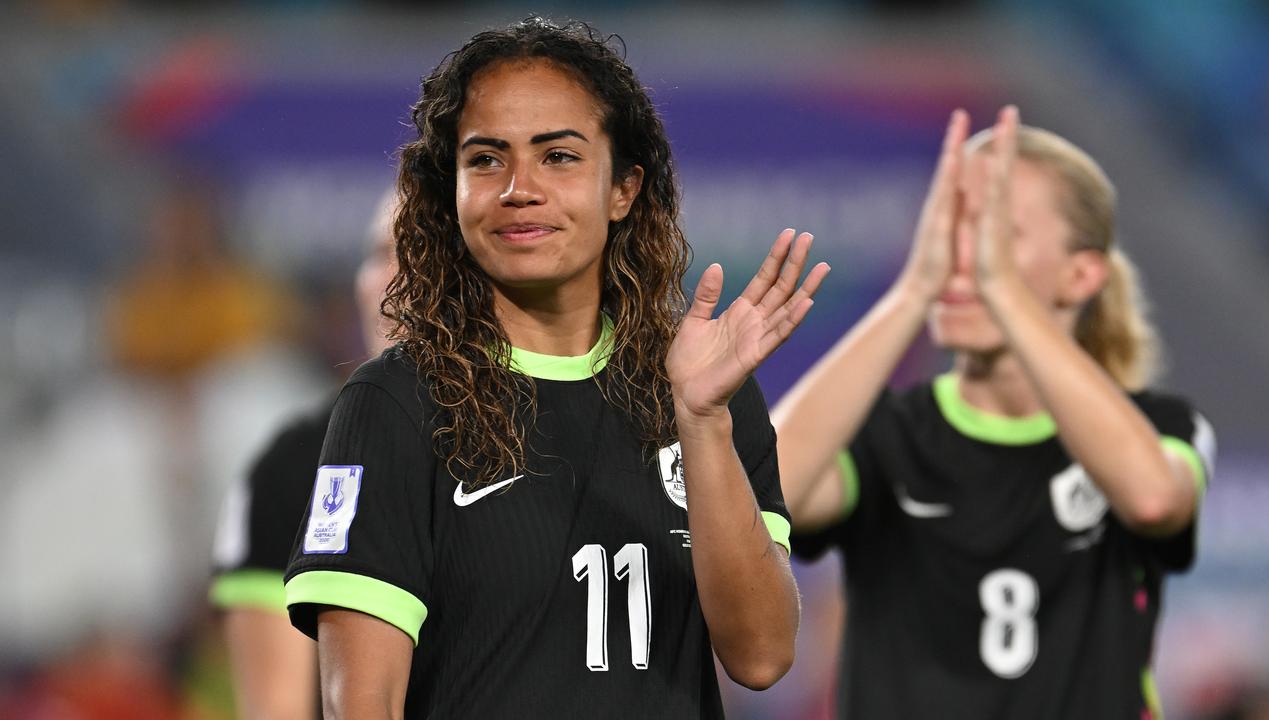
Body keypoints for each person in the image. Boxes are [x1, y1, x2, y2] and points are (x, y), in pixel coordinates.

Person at [282, 17, 829, 719]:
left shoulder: (705, 390)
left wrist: (700, 420)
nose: (519, 188)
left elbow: (762, 655)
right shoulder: (395, 402)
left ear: (623, 188)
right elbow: (362, 705)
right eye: (486, 159)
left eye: (559, 156)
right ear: (452, 191)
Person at [773, 107, 1215, 719]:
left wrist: (1000, 289)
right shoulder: (886, 434)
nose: (964, 256)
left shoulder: (1159, 426)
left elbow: (1153, 501)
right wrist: (912, 292)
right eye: (952, 225)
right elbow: (762, 492)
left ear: (1080, 275)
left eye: (994, 235)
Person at [209, 190, 398, 720]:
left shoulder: (552, 443)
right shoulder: (290, 471)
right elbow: (277, 709)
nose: (396, 280)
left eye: (425, 253)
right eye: (380, 254)